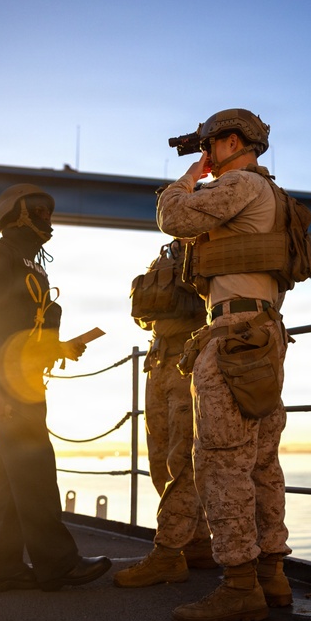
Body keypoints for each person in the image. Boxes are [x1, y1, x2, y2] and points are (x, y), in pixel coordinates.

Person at [156, 109, 305, 621]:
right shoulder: (272, 193)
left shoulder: (240, 183)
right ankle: (271, 575)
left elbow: (174, 218)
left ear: (233, 142)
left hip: (235, 335)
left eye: (211, 145)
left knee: (221, 460)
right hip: (263, 332)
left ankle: (240, 586)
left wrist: (187, 178)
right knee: (261, 462)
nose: (207, 155)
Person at [0, 183, 110, 594]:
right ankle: (58, 564)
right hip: (4, 382)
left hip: (24, 381)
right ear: (15, 213)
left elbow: (23, 327)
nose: (47, 216)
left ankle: (2, 568)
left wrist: (60, 347)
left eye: (49, 210)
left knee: (11, 480)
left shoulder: (34, 265)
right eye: (38, 209)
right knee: (36, 468)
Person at [113, 239, 214, 588]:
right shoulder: (166, 254)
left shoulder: (210, 247)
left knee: (182, 459)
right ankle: (196, 542)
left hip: (188, 362)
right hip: (158, 361)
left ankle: (168, 552)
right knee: (159, 459)